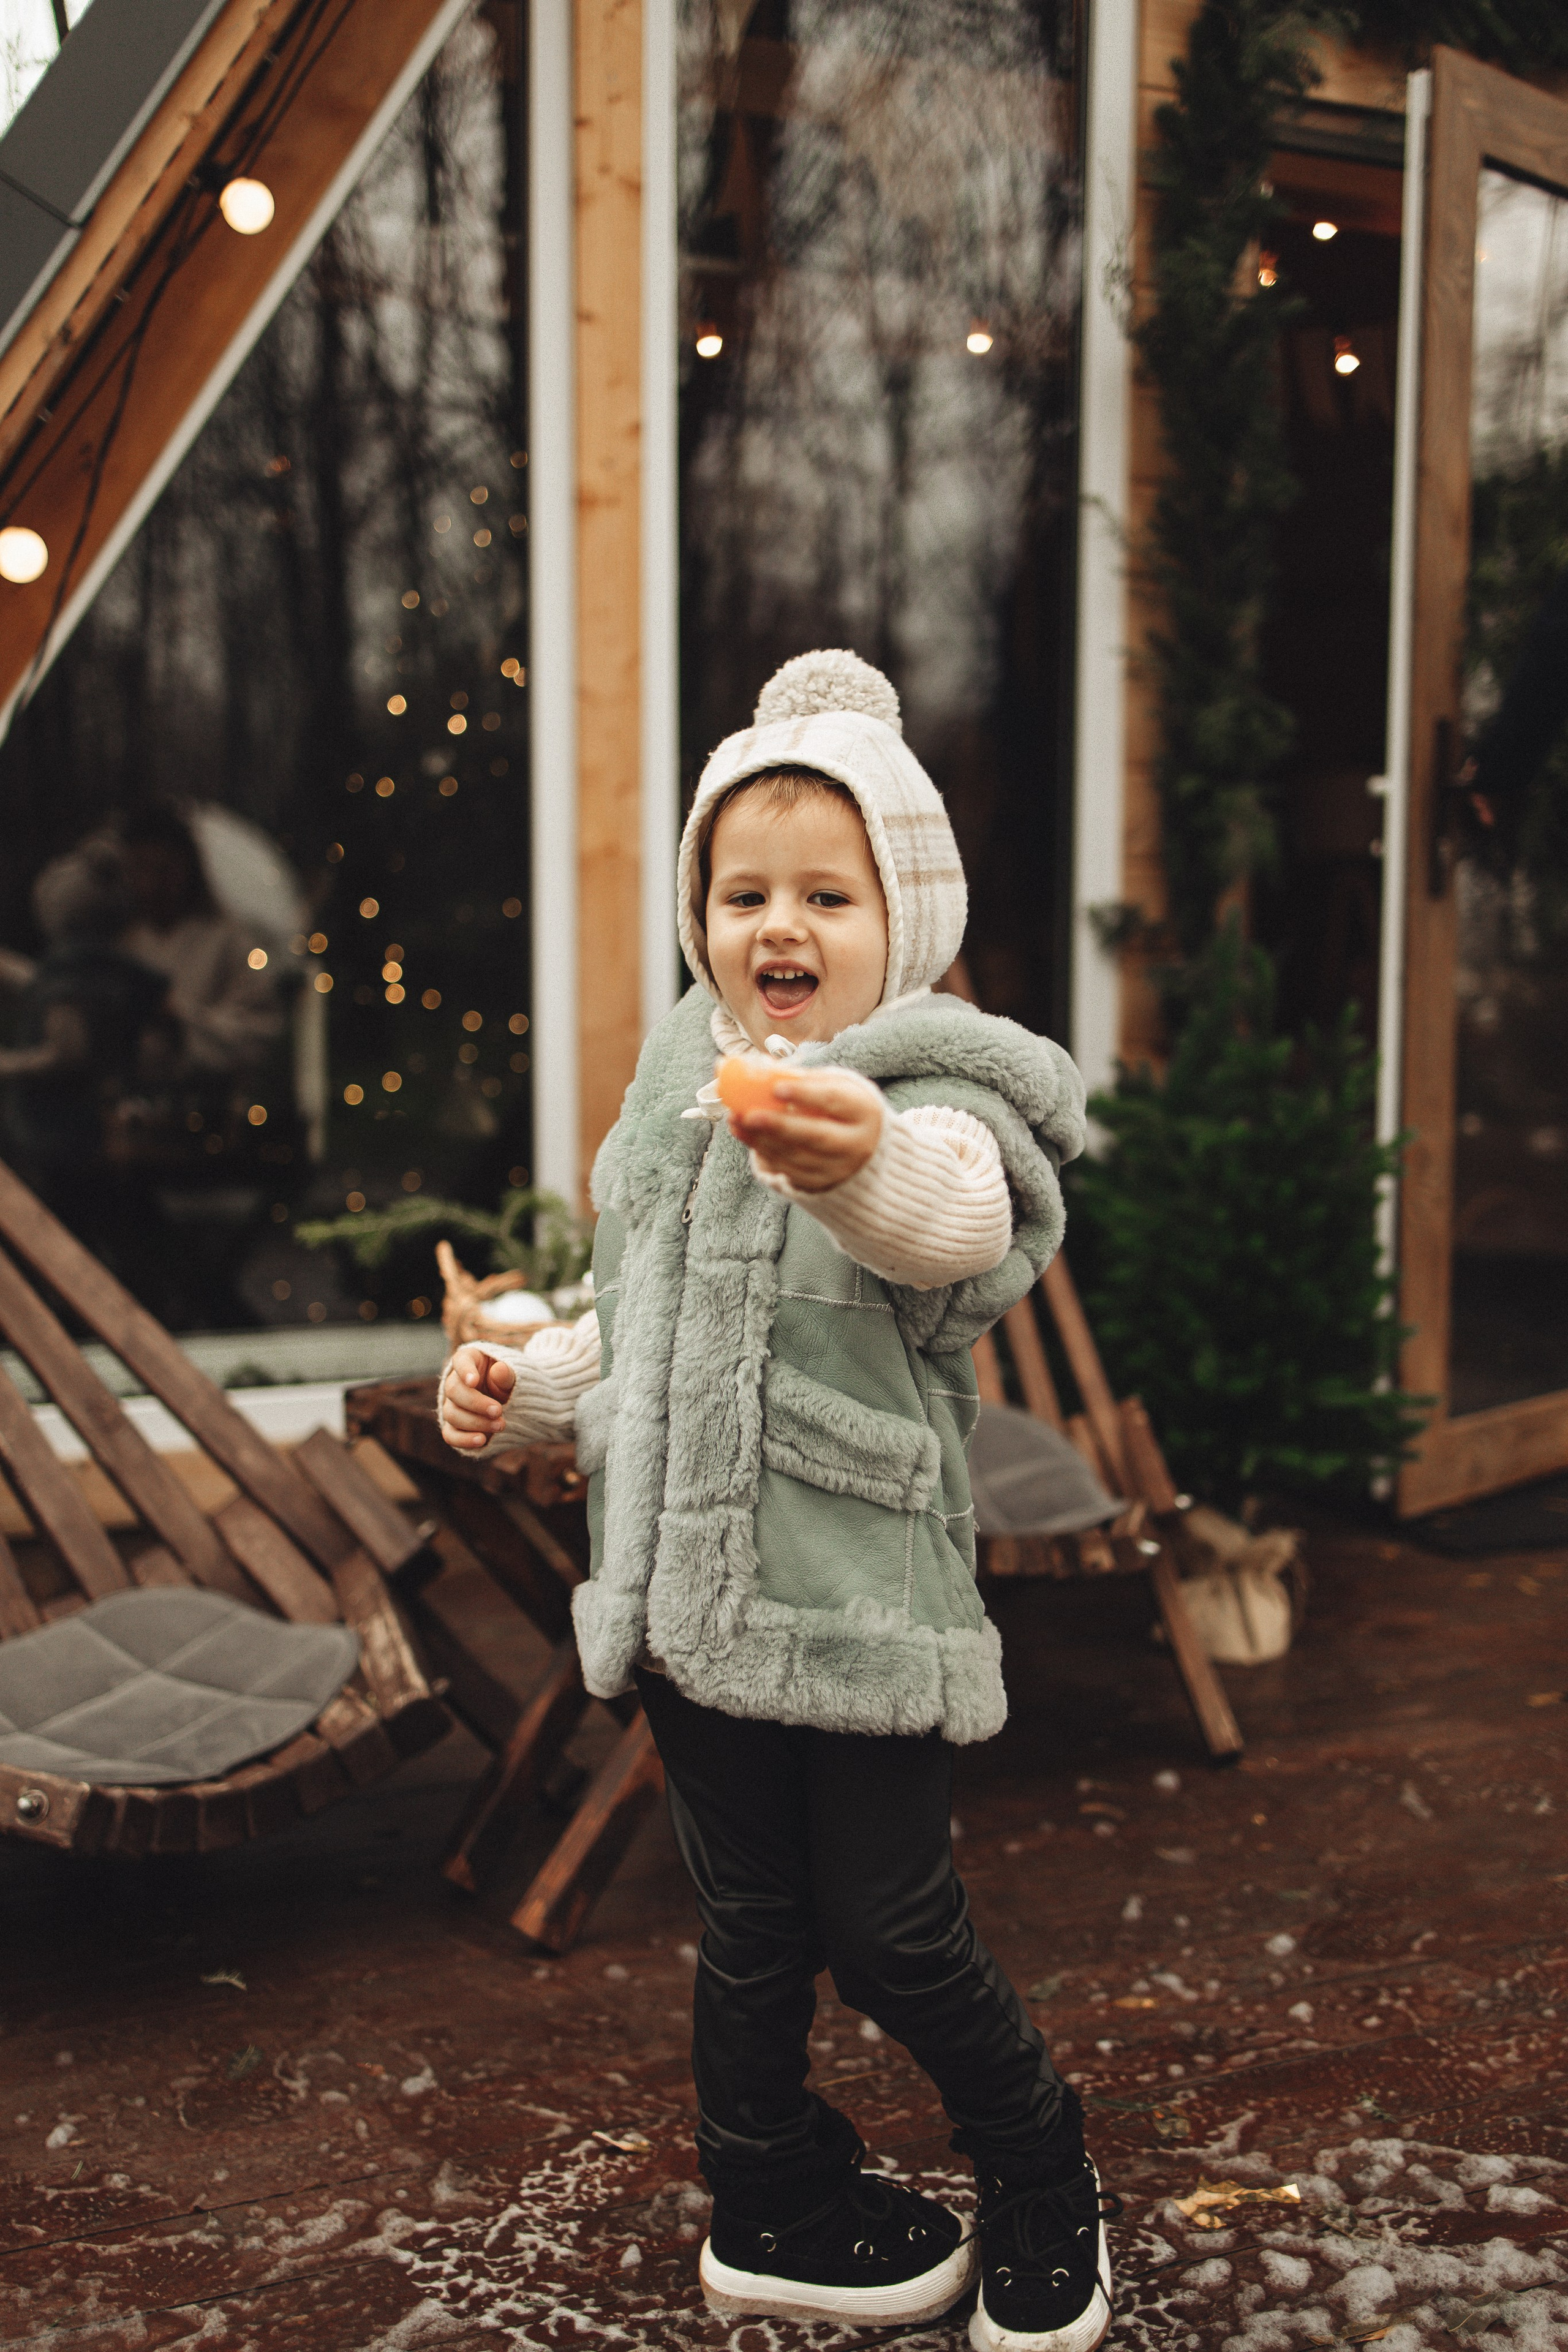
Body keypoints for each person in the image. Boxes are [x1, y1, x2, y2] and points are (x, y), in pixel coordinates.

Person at [439, 650, 1114, 2351]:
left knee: (889, 1930)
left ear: (907, 920)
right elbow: (636, 1326)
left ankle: (1041, 2164)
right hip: (686, 1600)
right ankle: (772, 2197)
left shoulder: (935, 1092)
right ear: (703, 913)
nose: (778, 923)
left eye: (827, 890)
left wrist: (848, 1154)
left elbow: (956, 1226)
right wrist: (525, 1386)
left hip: (853, 1593)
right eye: (743, 891)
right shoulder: (680, 1098)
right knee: (747, 1925)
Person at [0, 844, 173, 1279]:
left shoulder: (69, 975)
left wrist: (8, 1065)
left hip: (61, 1129)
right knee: (114, 1223)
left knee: (62, 1227)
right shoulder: (118, 970)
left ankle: (59, 1299)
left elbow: (67, 1049)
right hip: (118, 1120)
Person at [119, 805, 282, 1081]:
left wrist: (179, 1018)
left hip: (205, 1104)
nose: (151, 884)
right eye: (141, 868)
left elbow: (258, 1031)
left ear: (189, 869)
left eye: (165, 870)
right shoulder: (121, 943)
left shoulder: (230, 940)